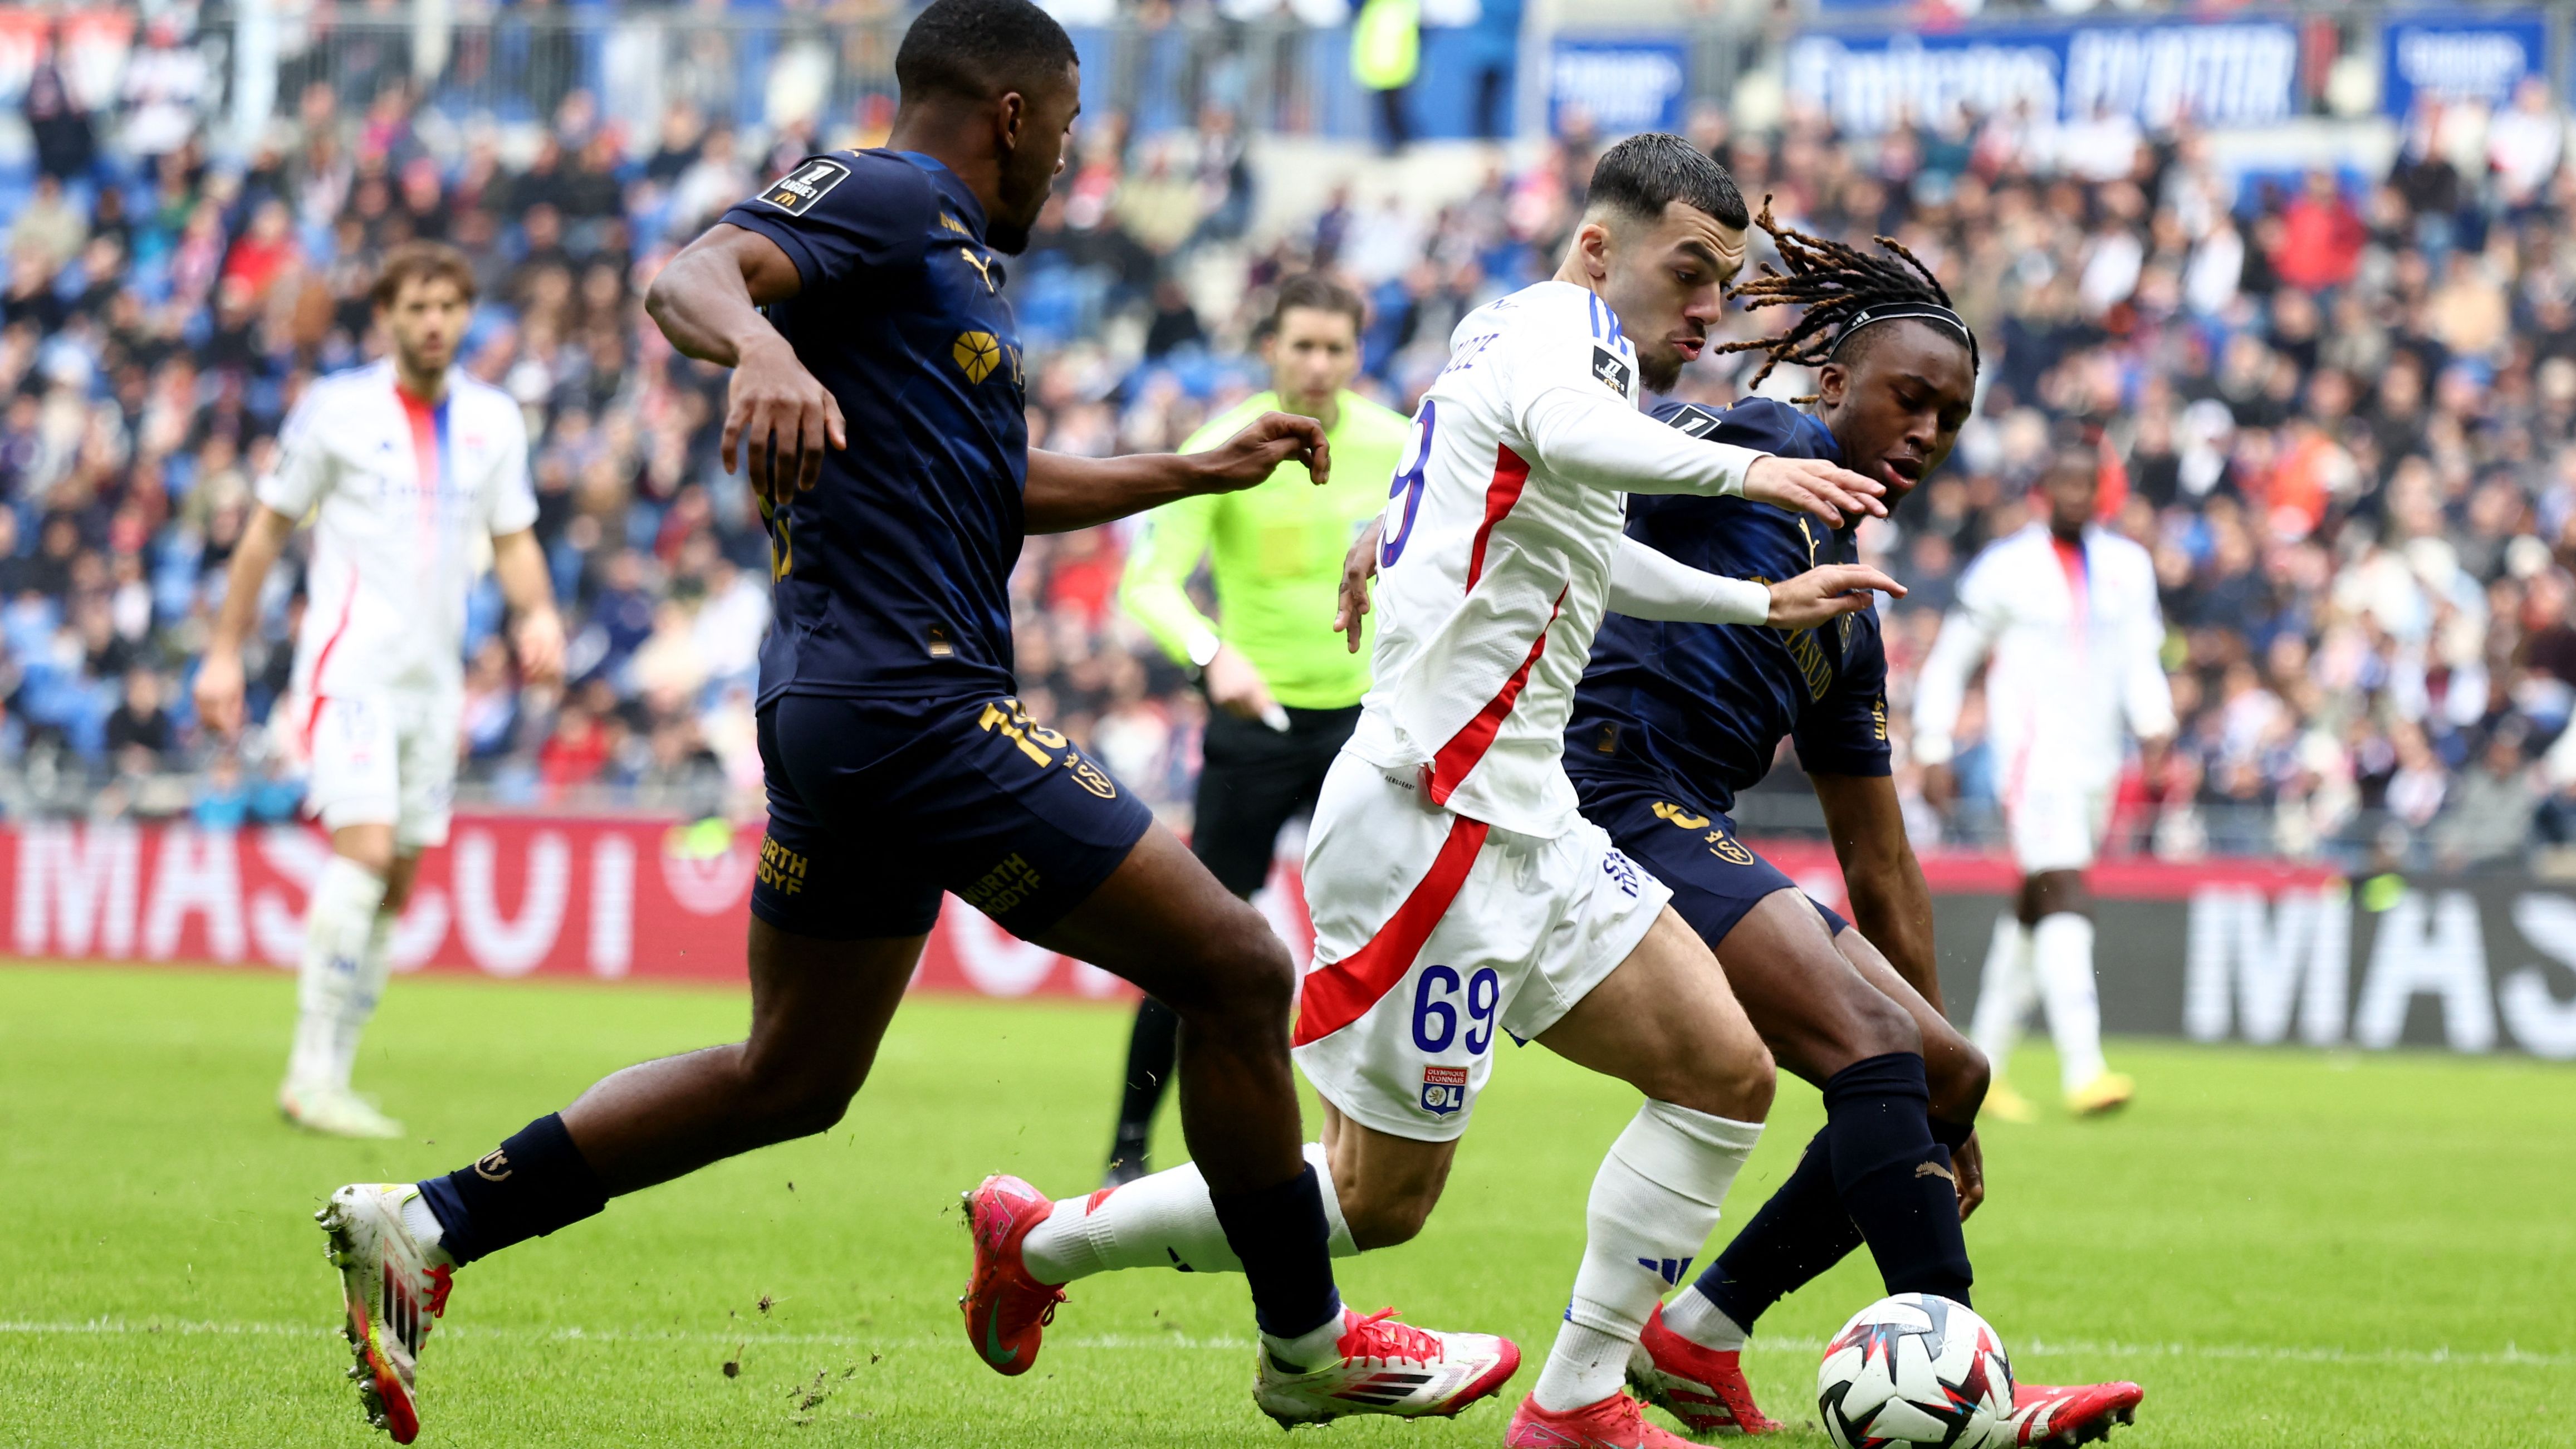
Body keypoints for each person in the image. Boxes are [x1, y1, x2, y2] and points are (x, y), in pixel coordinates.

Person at [302, 4, 1500, 1442]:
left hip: (837, 706)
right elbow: (687, 274)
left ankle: (428, 1228)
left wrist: (1187, 471)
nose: (1066, 160)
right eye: (1062, 129)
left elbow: (994, 484)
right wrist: (756, 345)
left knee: (790, 1074)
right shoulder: (888, 196)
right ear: (1010, 114)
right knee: (1240, 970)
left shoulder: (944, 272)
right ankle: (1308, 1348)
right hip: (913, 704)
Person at [962, 134, 1907, 1449]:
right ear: (1596, 250)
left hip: (1533, 823)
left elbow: (1585, 556)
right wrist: (1748, 470)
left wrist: (1755, 597)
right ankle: (1046, 1239)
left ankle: (1577, 1402)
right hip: (1433, 824)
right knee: (1377, 1198)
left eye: (1722, 282)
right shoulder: (1555, 332)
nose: (1706, 306)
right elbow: (1582, 432)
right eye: (1687, 271)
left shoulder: (1543, 362)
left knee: (1720, 1073)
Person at [1542, 206, 2143, 1445]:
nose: (1926, 431)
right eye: (1907, 398)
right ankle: (1971, 1373)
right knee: (1877, 1050)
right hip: (1595, 790)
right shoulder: (1761, 439)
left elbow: (1881, 858)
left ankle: (1699, 1331)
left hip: (1672, 820)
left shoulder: (1848, 619)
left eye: (1951, 419)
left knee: (1944, 1064)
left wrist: (1944, 1096)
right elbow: (1579, 463)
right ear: (1832, 380)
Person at [197, 241, 565, 1141]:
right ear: (387, 318)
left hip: (432, 687)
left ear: (467, 314)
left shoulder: (493, 421)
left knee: (396, 883)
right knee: (362, 856)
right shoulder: (335, 410)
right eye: (416, 307)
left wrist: (540, 614)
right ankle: (308, 1075)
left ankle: (336, 1072)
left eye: (448, 305)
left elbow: (513, 537)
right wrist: (224, 652)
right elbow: (264, 534)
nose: (433, 321)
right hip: (350, 667)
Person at [1102, 273, 1412, 1187]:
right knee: (1197, 941)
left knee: (1375, 936)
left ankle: (1365, 1146)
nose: (1317, 365)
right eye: (1300, 347)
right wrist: (1210, 657)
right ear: (1268, 350)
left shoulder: (1401, 446)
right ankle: (1128, 1144)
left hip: (1363, 727)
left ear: (1358, 354)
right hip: (1254, 726)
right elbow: (1149, 583)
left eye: (1335, 348)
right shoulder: (1223, 448)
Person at [1916, 443, 2176, 1121]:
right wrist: (1935, 745)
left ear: (2103, 491)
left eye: (2087, 483)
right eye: (2064, 481)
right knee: (2066, 889)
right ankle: (2083, 1066)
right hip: (2033, 760)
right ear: (2043, 489)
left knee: (2038, 907)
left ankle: (1984, 1066)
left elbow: (2140, 658)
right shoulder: (2006, 568)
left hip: (2099, 762)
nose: (2075, 494)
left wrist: (2155, 728)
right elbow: (1951, 660)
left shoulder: (2129, 567)